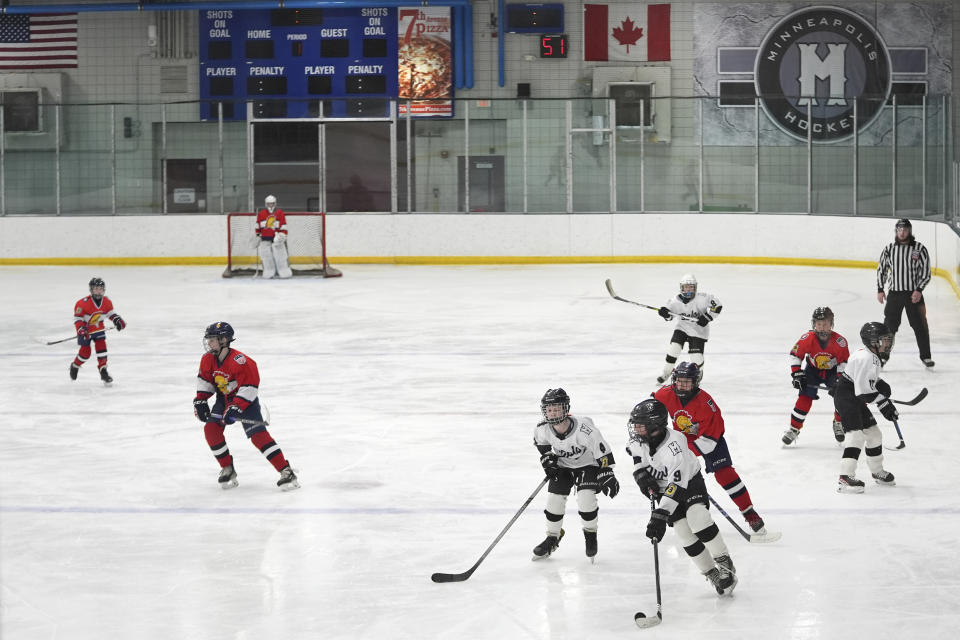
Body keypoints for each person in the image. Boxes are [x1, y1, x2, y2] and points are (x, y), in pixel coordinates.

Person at [626, 399, 737, 596]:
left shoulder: (675, 444)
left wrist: (660, 515)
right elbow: (635, 455)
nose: (635, 429)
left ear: (655, 426)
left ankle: (724, 562)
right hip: (664, 488)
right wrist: (641, 475)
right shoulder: (639, 438)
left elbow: (676, 486)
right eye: (635, 424)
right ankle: (711, 573)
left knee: (698, 519)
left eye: (640, 425)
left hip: (688, 482)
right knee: (683, 531)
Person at [653, 362, 769, 535]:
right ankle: (674, 513)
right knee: (669, 475)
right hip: (681, 440)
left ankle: (749, 512)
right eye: (679, 380)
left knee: (725, 473)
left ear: (695, 382)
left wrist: (686, 454)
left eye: (687, 381)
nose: (682, 385)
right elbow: (652, 410)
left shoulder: (706, 405)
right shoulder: (665, 394)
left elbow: (709, 440)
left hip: (710, 438)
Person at [193, 322, 299, 491]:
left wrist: (236, 407)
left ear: (224, 340)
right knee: (211, 429)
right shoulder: (207, 359)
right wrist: (200, 400)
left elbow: (250, 386)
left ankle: (286, 471)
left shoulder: (241, 361)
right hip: (223, 400)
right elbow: (205, 381)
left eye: (213, 339)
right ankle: (227, 468)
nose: (209, 343)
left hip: (245, 402)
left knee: (258, 436)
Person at [532, 388, 620, 561]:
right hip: (563, 466)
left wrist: (607, 472)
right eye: (549, 409)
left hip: (588, 465)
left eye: (556, 408)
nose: (552, 413)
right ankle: (552, 537)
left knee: (586, 499)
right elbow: (543, 448)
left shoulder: (585, 430)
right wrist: (548, 460)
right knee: (554, 501)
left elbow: (604, 455)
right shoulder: (542, 429)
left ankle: (590, 535)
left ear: (566, 409)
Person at [832, 322, 897, 493]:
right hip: (847, 398)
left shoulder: (871, 356)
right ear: (873, 341)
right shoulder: (866, 358)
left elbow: (868, 381)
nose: (887, 343)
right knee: (856, 436)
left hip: (853, 396)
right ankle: (845, 477)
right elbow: (863, 392)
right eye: (884, 340)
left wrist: (881, 385)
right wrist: (884, 403)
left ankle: (877, 472)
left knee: (874, 434)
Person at [782, 307, 850, 446]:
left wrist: (839, 380)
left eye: (825, 324)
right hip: (812, 370)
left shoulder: (839, 342)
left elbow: (843, 361)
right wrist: (797, 373)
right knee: (804, 397)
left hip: (833, 371)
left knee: (840, 395)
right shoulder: (808, 338)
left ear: (831, 324)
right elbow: (795, 354)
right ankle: (794, 428)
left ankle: (838, 422)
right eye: (818, 324)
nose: (821, 328)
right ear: (814, 324)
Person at [876, 218, 933, 367]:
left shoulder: (919, 249)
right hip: (894, 294)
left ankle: (926, 357)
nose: (902, 233)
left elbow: (925, 272)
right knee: (888, 327)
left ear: (910, 231)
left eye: (905, 230)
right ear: (896, 231)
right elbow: (882, 270)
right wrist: (880, 289)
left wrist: (919, 290)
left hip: (914, 295)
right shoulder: (889, 249)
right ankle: (883, 356)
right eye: (899, 230)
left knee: (921, 326)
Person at [655, 274, 722, 383]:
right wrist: (665, 314)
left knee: (695, 356)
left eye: (691, 287)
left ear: (695, 287)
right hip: (682, 328)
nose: (689, 289)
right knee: (674, 349)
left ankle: (698, 375)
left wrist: (708, 317)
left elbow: (718, 306)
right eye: (686, 287)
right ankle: (666, 372)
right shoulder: (674, 301)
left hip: (699, 331)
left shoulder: (704, 297)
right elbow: (669, 316)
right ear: (682, 287)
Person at [70, 277, 126, 385]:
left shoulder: (107, 301)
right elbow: (78, 319)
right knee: (85, 353)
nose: (98, 291)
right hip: (85, 330)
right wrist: (81, 329)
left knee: (102, 348)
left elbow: (110, 314)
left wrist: (117, 320)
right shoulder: (82, 303)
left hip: (98, 328)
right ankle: (75, 365)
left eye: (100, 288)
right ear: (91, 290)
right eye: (96, 288)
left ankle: (103, 371)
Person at [256, 195, 292, 279]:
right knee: (266, 256)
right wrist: (257, 235)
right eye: (268, 204)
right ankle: (268, 271)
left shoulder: (279, 213)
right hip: (265, 238)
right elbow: (257, 226)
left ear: (275, 204)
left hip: (277, 239)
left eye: (272, 204)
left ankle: (284, 271)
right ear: (266, 204)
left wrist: (281, 235)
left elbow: (283, 226)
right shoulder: (261, 214)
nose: (270, 206)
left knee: (281, 256)